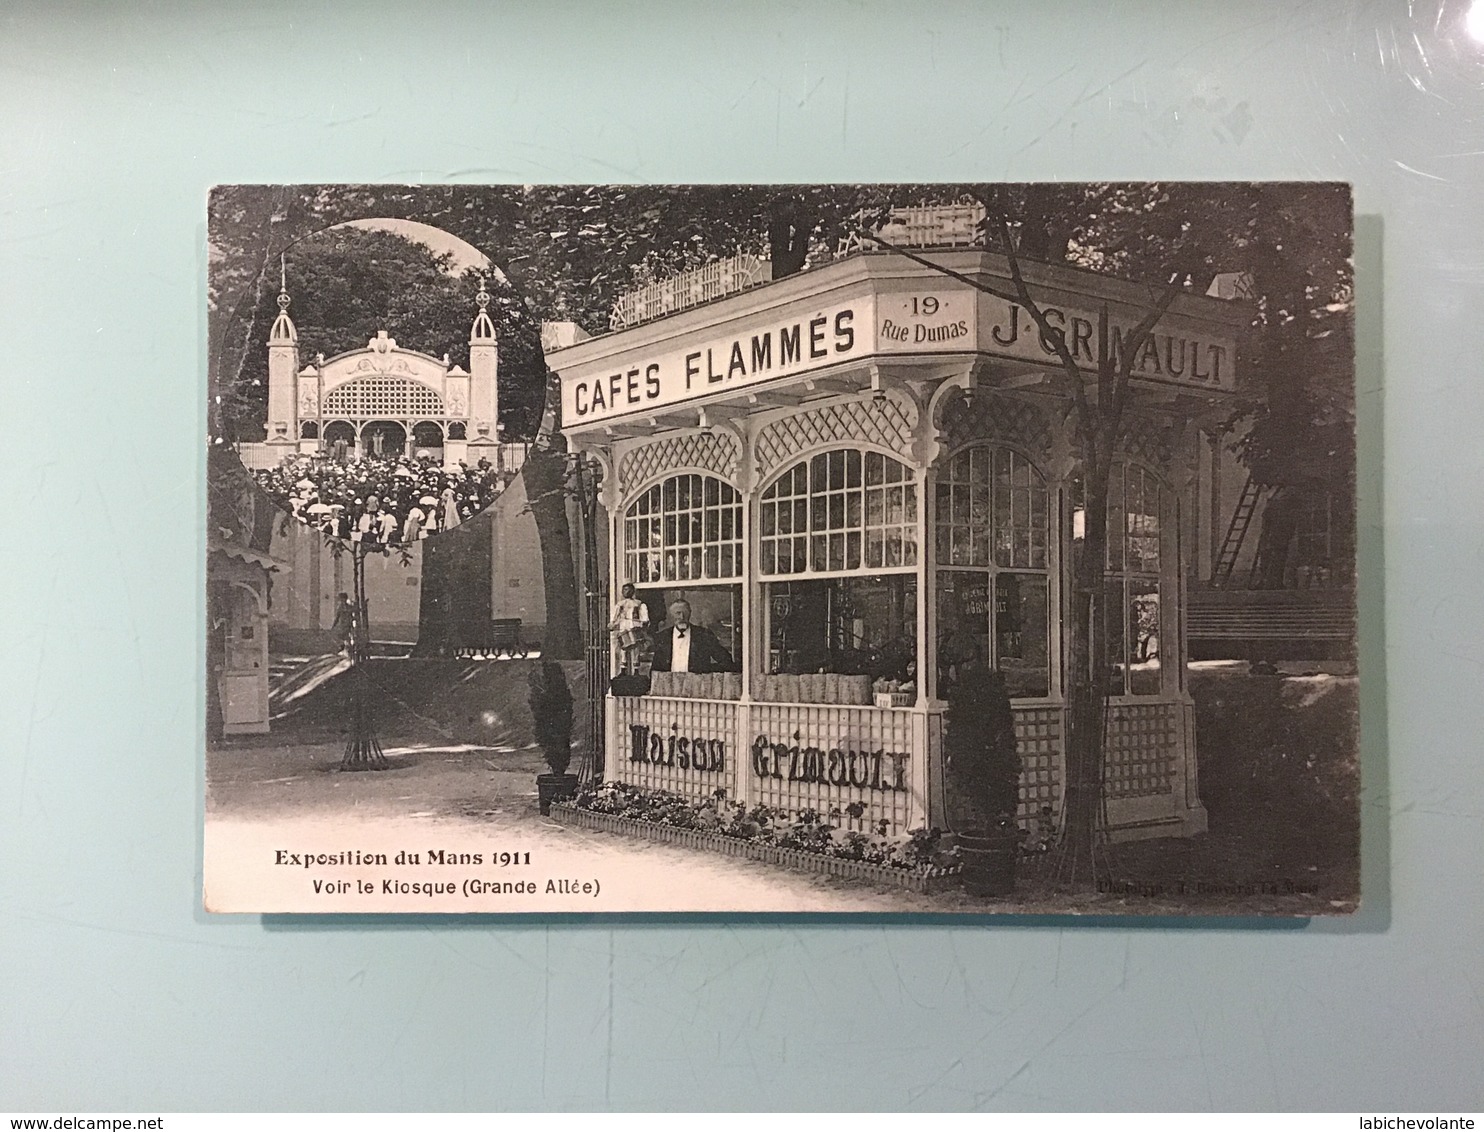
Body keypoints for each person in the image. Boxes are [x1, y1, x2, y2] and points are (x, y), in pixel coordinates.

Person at [650, 598, 734, 674]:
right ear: (672, 615)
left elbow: (725, 660)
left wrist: (706, 670)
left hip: (695, 686)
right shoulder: (663, 637)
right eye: (678, 613)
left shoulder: (703, 635)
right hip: (670, 686)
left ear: (690, 613)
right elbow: (655, 669)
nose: (682, 617)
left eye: (685, 613)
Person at [608, 583, 650, 675]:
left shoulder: (638, 604)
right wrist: (613, 623)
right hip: (624, 626)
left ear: (633, 591)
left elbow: (644, 616)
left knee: (636, 648)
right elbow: (615, 616)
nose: (625, 592)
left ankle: (636, 669)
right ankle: (623, 668)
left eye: (628, 590)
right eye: (624, 590)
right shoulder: (620, 604)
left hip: (635, 626)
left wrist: (643, 621)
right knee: (624, 647)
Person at [330, 593, 355, 658]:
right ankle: (343, 648)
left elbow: (353, 615)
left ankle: (347, 650)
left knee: (347, 637)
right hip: (343, 625)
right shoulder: (340, 607)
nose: (342, 601)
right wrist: (334, 625)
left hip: (348, 625)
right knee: (341, 637)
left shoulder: (349, 607)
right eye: (341, 599)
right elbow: (337, 617)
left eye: (342, 599)